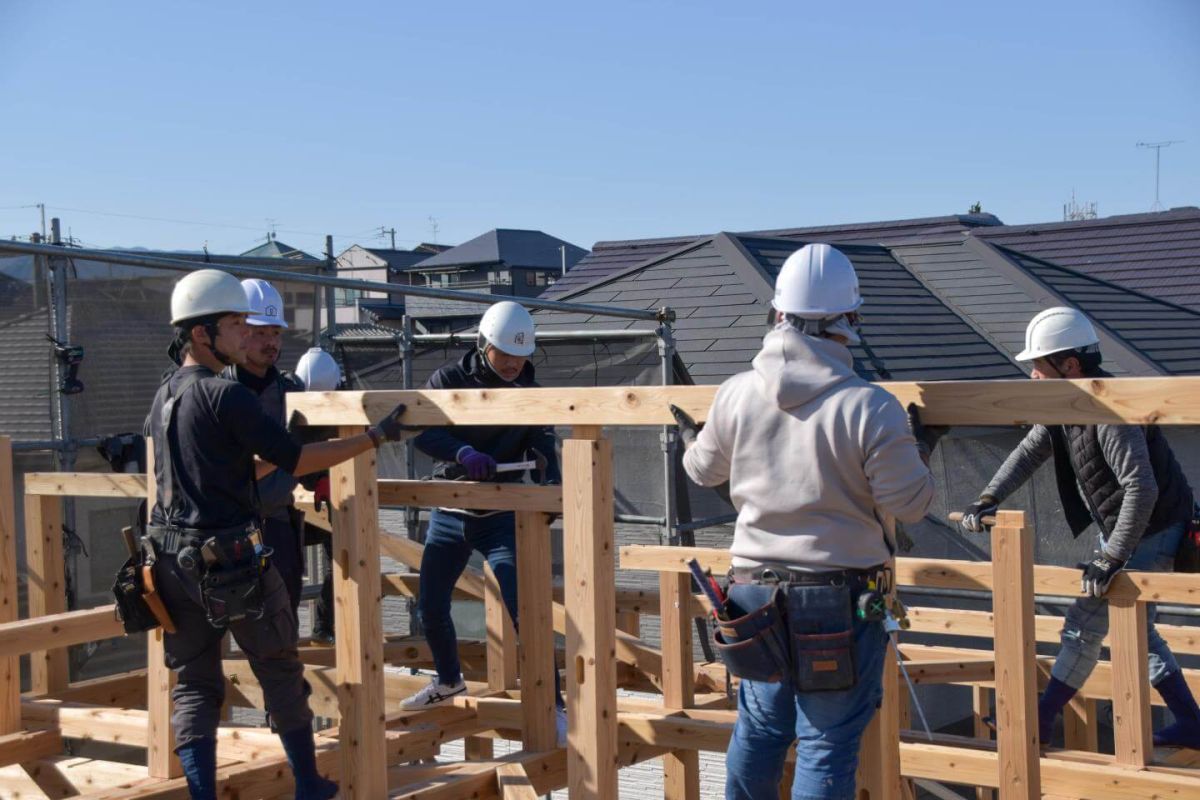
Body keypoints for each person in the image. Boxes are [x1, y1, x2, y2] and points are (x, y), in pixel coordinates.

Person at [675, 243, 939, 800]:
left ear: (778, 315)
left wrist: (692, 438)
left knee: (762, 728)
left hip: (753, 597)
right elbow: (910, 504)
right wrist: (914, 451)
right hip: (836, 600)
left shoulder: (736, 393)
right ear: (849, 321)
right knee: (825, 742)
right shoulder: (871, 406)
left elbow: (701, 471)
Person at [146, 268, 413, 799]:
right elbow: (298, 458)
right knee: (280, 668)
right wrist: (372, 437)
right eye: (236, 324)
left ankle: (202, 794)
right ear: (203, 333)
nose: (248, 334)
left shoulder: (164, 396)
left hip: (170, 561)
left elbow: (210, 470)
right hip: (229, 563)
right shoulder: (226, 396)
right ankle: (309, 783)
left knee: (196, 685)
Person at [958, 306, 1200, 749]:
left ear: (1069, 365)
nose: (1032, 375)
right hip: (1129, 525)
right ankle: (1189, 722)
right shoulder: (1065, 403)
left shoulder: (1108, 410)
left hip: (1155, 525)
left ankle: (1041, 718)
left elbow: (1141, 489)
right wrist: (988, 497)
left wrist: (1110, 558)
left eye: (1038, 365)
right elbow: (1030, 450)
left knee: (1087, 621)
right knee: (1130, 627)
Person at [400, 301, 567, 744]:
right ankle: (448, 680)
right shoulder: (449, 380)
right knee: (430, 604)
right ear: (484, 345)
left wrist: (551, 482)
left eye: (521, 356)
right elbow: (424, 429)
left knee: (524, 611)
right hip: (451, 511)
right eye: (504, 354)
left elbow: (543, 441)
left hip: (502, 516)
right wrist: (462, 453)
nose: (514, 364)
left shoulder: (530, 390)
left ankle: (555, 705)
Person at [221, 279, 307, 615]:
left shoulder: (290, 391)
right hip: (229, 527)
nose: (271, 342)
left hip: (277, 524)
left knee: (282, 619)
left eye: (276, 333)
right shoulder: (217, 389)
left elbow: (311, 448)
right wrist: (280, 450)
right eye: (261, 333)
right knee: (229, 621)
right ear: (240, 331)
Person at [293, 346, 343, 644]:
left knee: (344, 562)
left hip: (331, 502)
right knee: (282, 567)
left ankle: (325, 627)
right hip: (295, 504)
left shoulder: (341, 410)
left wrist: (329, 477)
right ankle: (284, 631)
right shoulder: (286, 408)